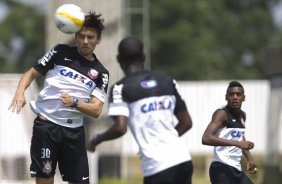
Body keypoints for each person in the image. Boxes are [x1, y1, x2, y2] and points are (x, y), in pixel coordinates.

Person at [8, 12, 109, 184]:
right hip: (46, 128)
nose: (85, 41)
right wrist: (19, 93)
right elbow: (31, 72)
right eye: (82, 36)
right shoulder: (59, 51)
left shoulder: (101, 73)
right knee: (45, 180)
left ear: (98, 40)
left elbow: (96, 109)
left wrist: (75, 103)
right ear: (76, 36)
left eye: (90, 37)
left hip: (74, 133)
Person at [87, 37, 193, 184]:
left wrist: (96, 140)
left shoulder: (120, 88)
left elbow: (120, 128)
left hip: (157, 167)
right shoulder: (168, 81)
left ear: (119, 59)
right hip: (183, 160)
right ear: (143, 57)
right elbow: (186, 123)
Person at [202, 81, 257, 184]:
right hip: (221, 168)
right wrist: (238, 144)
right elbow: (206, 138)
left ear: (243, 98)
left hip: (236, 169)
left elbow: (240, 138)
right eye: (231, 94)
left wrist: (250, 159)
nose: (235, 97)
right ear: (226, 97)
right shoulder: (221, 114)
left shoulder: (242, 116)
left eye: (238, 94)